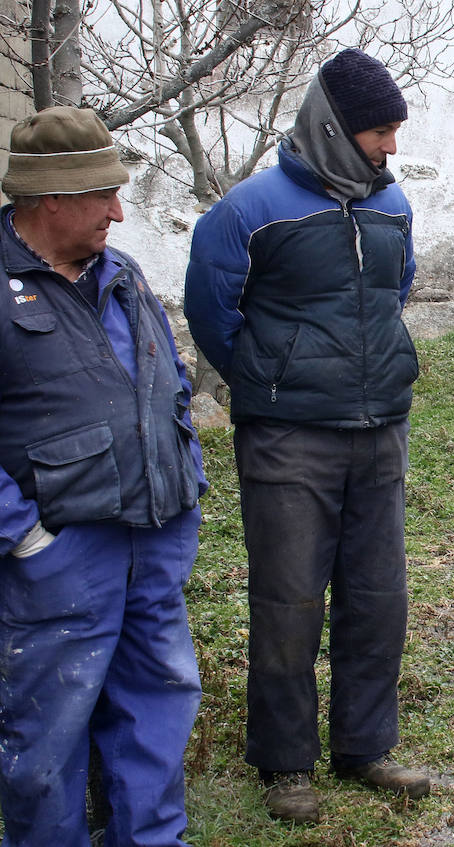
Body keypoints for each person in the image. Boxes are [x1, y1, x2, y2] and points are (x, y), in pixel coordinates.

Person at [184, 48, 429, 824]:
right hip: (290, 440)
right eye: (380, 131)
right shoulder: (248, 213)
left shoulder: (394, 208)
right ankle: (287, 762)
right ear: (333, 128)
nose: (392, 146)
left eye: (394, 130)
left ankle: (366, 748)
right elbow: (211, 315)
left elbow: (398, 288)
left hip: (380, 431)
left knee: (378, 598)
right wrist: (270, 380)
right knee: (289, 602)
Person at [0, 106, 206, 845]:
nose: (120, 212)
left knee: (158, 705)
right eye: (103, 197)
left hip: (151, 543)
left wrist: (188, 481)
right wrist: (24, 537)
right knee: (47, 735)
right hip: (61, 558)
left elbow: (169, 385)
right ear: (52, 198)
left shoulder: (122, 274)